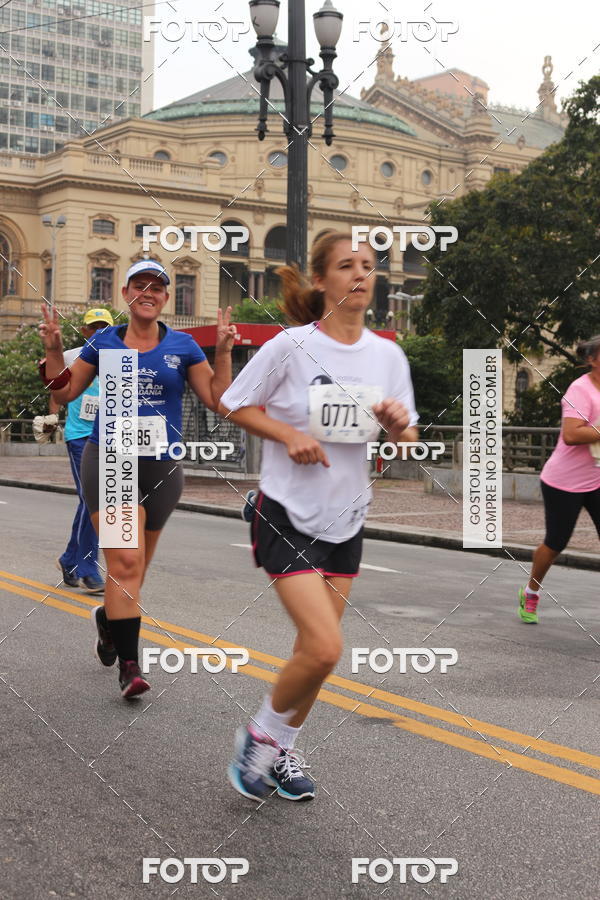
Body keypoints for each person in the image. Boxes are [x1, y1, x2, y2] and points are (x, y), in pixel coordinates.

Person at [219, 231, 419, 802]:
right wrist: (289, 435)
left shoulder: (388, 355)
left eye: (368, 265)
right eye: (345, 265)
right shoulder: (291, 346)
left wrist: (397, 423)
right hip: (286, 510)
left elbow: (406, 439)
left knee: (315, 653)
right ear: (322, 280)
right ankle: (260, 737)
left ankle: (279, 750)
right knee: (326, 647)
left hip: (347, 519)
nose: (360, 273)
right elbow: (234, 401)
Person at [39, 259, 236, 697]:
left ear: (165, 297)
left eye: (158, 287)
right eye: (140, 285)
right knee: (125, 564)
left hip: (162, 466)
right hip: (111, 460)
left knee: (135, 572)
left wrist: (222, 352)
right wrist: (55, 349)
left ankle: (110, 623)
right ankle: (131, 666)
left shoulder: (184, 346)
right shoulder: (104, 343)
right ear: (126, 294)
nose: (149, 292)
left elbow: (218, 400)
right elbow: (64, 391)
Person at [518, 337, 600, 624]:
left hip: (597, 479)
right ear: (592, 359)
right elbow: (572, 434)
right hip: (563, 482)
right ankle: (531, 591)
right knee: (556, 542)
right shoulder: (580, 390)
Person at [51, 308, 115, 594]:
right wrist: (52, 414)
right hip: (79, 437)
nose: (99, 331)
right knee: (94, 499)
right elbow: (54, 384)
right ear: (85, 330)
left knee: (93, 499)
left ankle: (69, 560)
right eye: (94, 327)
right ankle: (88, 568)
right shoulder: (72, 356)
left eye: (105, 327)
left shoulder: (117, 360)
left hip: (107, 438)